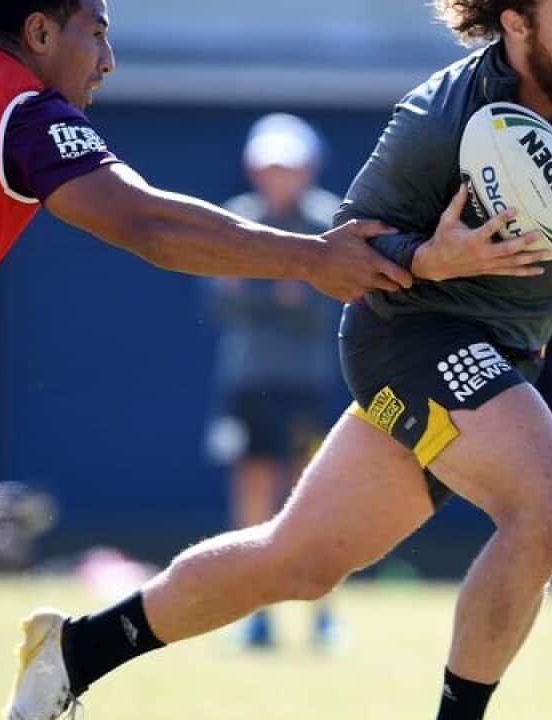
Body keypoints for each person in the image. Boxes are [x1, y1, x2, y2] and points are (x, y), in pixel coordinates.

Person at [5, 2, 552, 718]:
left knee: (300, 561)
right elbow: (344, 249)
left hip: (506, 352)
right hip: (407, 332)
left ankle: (72, 654)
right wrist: (431, 256)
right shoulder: (442, 112)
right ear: (516, 25)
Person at [0, 0, 416, 645]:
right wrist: (311, 258)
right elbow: (147, 222)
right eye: (99, 34)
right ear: (39, 32)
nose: (108, 61)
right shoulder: (19, 106)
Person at [204, 113, 345, 649]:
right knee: (252, 492)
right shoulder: (236, 219)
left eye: (288, 167)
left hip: (305, 384)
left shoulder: (328, 221)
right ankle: (253, 613)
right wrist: (285, 290)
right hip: (247, 382)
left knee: (312, 494)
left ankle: (322, 616)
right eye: (269, 167)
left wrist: (267, 292)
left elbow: (321, 305)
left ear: (307, 169)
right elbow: (221, 299)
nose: (278, 177)